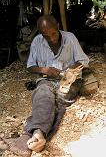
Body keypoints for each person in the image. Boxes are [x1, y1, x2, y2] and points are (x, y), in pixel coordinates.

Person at [0, 15, 89, 156]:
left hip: (69, 80)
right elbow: (30, 66)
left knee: (60, 100)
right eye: (46, 36)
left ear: (58, 26)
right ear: (41, 34)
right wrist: (44, 70)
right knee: (43, 94)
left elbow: (83, 60)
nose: (52, 38)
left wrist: (70, 70)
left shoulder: (70, 38)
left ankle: (30, 135)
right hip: (47, 79)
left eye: (53, 33)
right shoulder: (37, 41)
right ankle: (38, 136)